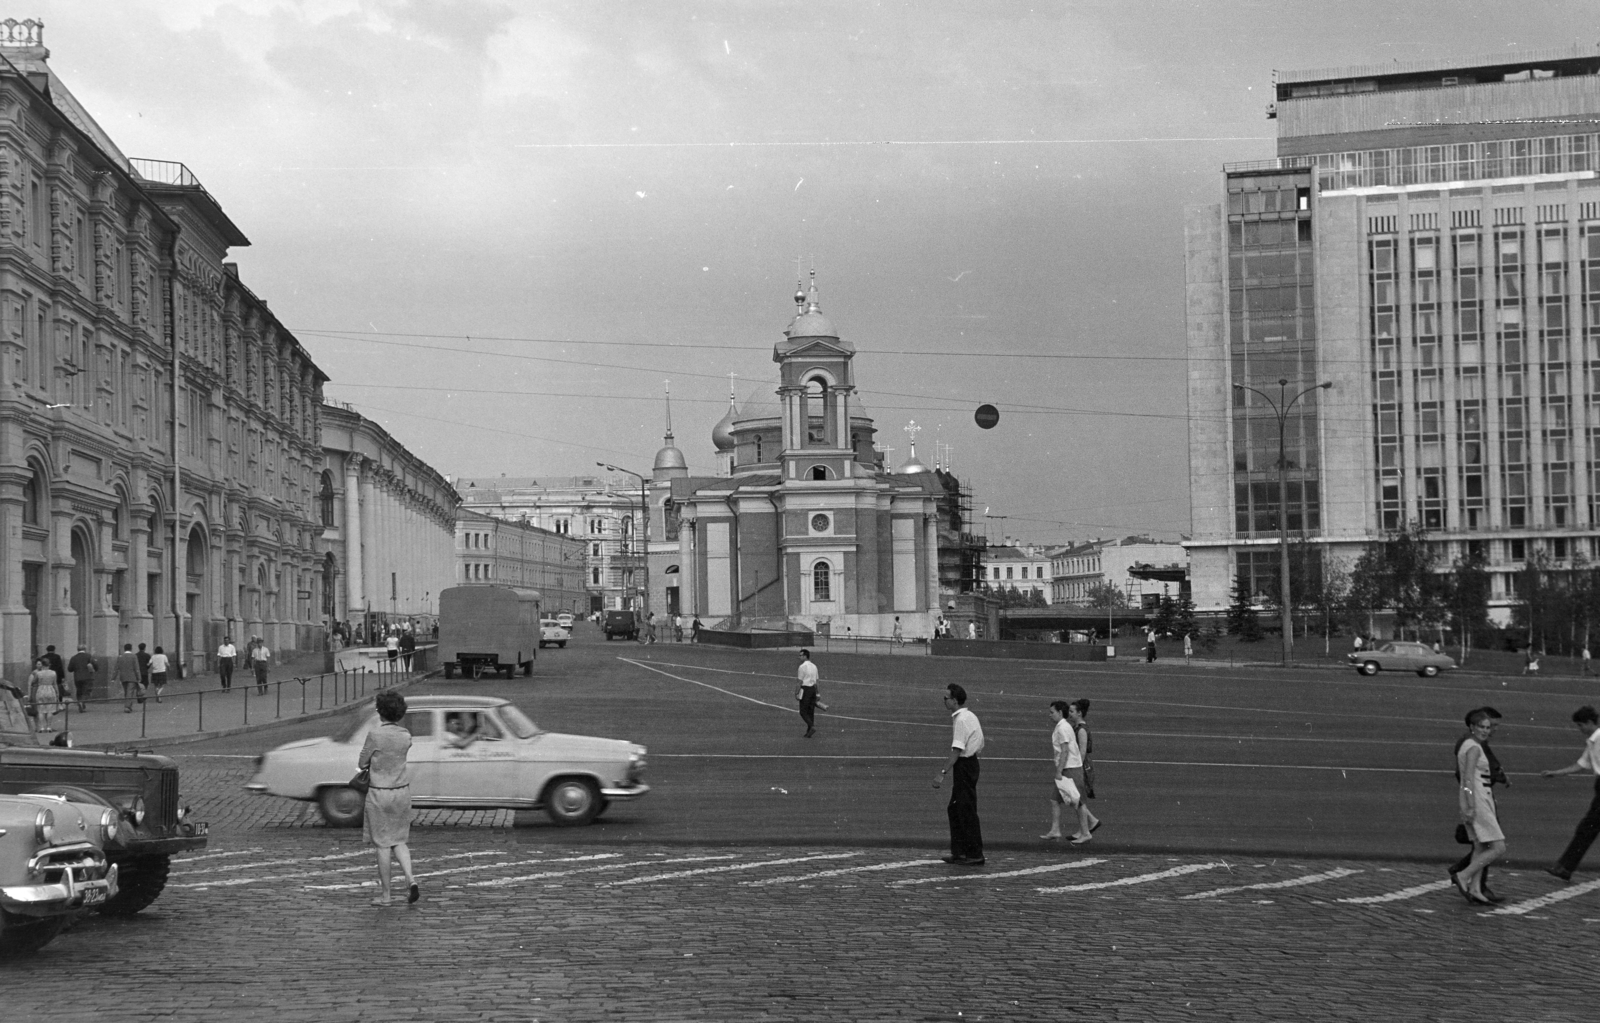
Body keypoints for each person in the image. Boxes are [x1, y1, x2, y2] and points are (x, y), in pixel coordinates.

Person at [360, 690, 418, 907]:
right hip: (402, 791)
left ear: (380, 712)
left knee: (383, 845)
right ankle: (411, 880)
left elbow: (363, 761)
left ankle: (386, 896)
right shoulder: (405, 735)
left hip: (379, 792)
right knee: (400, 841)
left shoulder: (375, 735)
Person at [1449, 707, 1507, 900]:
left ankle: (1475, 889)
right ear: (1472, 727)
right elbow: (1467, 779)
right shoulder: (1473, 747)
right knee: (1498, 847)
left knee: (1481, 846)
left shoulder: (1471, 744)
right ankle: (1462, 875)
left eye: (1487, 727)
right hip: (1479, 798)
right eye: (1481, 727)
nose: (1485, 730)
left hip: (1481, 796)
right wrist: (1471, 805)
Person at [1540, 705, 1600, 882]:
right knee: (1586, 829)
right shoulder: (1592, 741)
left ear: (1589, 723)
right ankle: (1565, 867)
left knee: (1586, 829)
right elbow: (1582, 764)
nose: (1579, 729)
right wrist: (1556, 773)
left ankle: (1565, 867)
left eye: (1581, 725)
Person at [932, 683, 984, 866]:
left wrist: (942, 773)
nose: (944, 701)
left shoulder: (961, 720)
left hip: (965, 765)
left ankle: (974, 853)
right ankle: (960, 852)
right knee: (956, 809)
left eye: (946, 698)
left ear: (954, 701)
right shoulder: (968, 716)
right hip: (969, 764)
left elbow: (956, 750)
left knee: (965, 810)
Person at [1041, 700, 1081, 840]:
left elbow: (1064, 751)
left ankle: (1087, 829)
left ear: (1059, 712)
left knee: (1077, 801)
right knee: (1056, 800)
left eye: (1052, 712)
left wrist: (1059, 771)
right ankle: (1055, 830)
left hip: (1069, 768)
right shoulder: (1063, 726)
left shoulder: (1062, 728)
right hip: (1069, 767)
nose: (1049, 715)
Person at [1069, 699, 1101, 841]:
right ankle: (1087, 825)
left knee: (1078, 799)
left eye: (1072, 712)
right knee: (1075, 798)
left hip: (1082, 766)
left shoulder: (1081, 730)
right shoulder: (1078, 727)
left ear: (1079, 713)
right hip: (1079, 765)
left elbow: (1082, 752)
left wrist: (1077, 769)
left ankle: (1085, 832)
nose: (1069, 714)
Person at [795, 648, 826, 738]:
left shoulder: (802, 667)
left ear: (805, 656)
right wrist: (818, 693)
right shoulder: (814, 666)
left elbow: (799, 681)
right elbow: (817, 681)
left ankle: (811, 726)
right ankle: (808, 731)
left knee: (803, 711)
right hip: (812, 689)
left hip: (805, 689)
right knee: (810, 711)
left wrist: (796, 692)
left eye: (800, 655)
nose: (799, 657)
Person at [27, 657, 61, 733]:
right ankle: (49, 727)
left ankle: (42, 727)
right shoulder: (53, 673)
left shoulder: (39, 673)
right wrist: (57, 693)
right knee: (50, 710)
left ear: (42, 665)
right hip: (50, 690)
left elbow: (33, 682)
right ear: (49, 665)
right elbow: (55, 684)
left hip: (41, 690)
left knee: (41, 710)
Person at [66, 644, 96, 712]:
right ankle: (82, 702)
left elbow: (69, 669)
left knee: (79, 690)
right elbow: (95, 665)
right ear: (85, 649)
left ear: (77, 649)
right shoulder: (89, 656)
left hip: (77, 677)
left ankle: (79, 701)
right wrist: (95, 669)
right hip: (87, 677)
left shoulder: (74, 657)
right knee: (86, 691)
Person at [114, 643, 142, 713]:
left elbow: (116, 668)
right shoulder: (134, 656)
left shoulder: (120, 657)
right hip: (132, 677)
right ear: (131, 648)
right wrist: (139, 677)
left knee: (126, 692)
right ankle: (127, 707)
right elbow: (136, 668)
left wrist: (113, 677)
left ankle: (129, 705)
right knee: (130, 691)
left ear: (124, 649)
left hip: (123, 677)